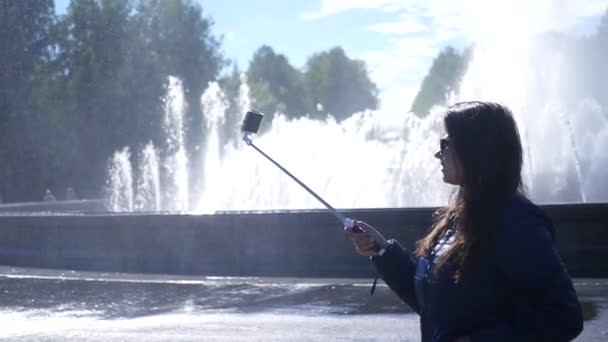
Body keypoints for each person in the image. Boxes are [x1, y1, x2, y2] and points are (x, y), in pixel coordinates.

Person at [345, 101, 583, 341]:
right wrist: (384, 252)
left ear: (475, 150)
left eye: (446, 144)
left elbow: (564, 316)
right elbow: (434, 305)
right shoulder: (458, 218)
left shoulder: (517, 222)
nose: (439, 154)